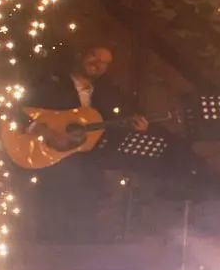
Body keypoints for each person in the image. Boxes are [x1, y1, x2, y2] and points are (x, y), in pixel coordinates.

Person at [15, 44, 146, 241]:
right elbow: (20, 111)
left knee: (85, 219)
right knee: (50, 223)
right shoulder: (51, 83)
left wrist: (133, 126)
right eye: (94, 56)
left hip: (86, 169)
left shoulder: (104, 95)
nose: (98, 64)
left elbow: (108, 127)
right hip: (48, 162)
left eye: (105, 63)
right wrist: (46, 132)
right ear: (81, 55)